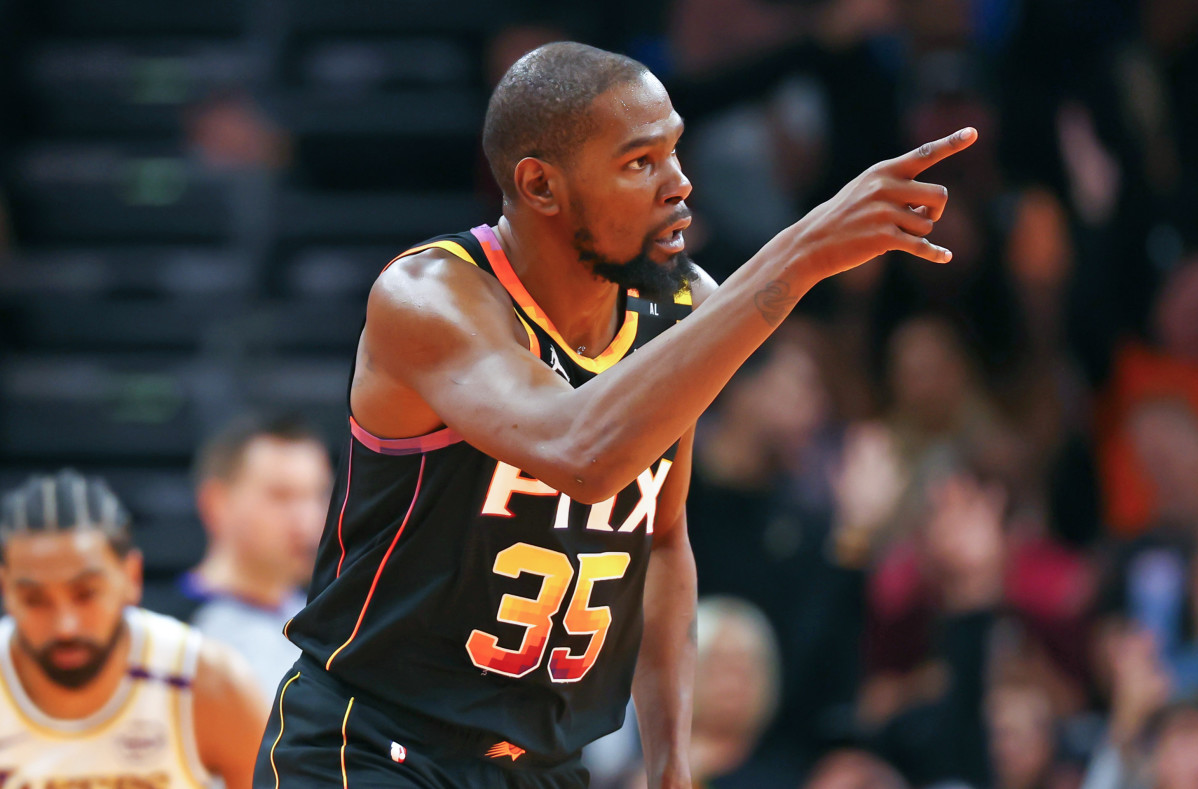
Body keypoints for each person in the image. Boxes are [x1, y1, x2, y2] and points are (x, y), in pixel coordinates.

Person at [256, 41, 976, 789]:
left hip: (545, 764)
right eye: (641, 163)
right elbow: (583, 453)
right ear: (540, 185)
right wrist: (801, 253)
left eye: (675, 150)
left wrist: (670, 761)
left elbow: (661, 541)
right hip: (374, 742)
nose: (680, 183)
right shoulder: (431, 296)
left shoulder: (676, 303)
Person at [0, 469, 268, 788]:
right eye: (34, 600)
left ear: (132, 576)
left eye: (86, 594)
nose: (65, 626)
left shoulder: (211, 683)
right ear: (6, 590)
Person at [143, 413, 333, 698]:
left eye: (316, 495)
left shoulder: (336, 627)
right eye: (281, 496)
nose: (306, 520)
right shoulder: (167, 639)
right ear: (217, 502)